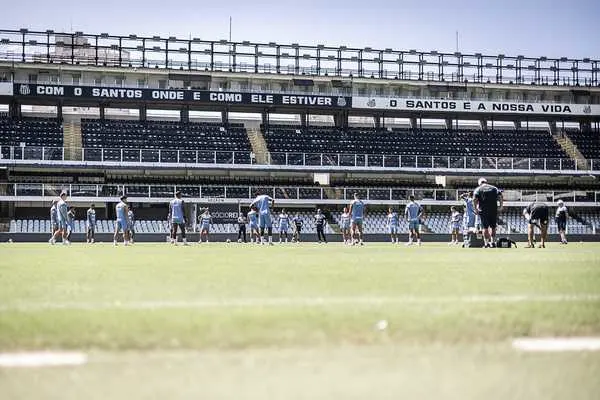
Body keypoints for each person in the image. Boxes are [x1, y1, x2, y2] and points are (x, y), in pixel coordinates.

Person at [473, 177, 504, 248]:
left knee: (485, 228)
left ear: (479, 183)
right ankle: (493, 243)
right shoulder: (494, 188)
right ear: (486, 182)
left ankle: (486, 244)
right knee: (493, 227)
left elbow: (474, 199)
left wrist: (475, 209)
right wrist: (501, 206)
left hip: (483, 211)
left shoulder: (478, 189)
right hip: (493, 210)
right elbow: (500, 196)